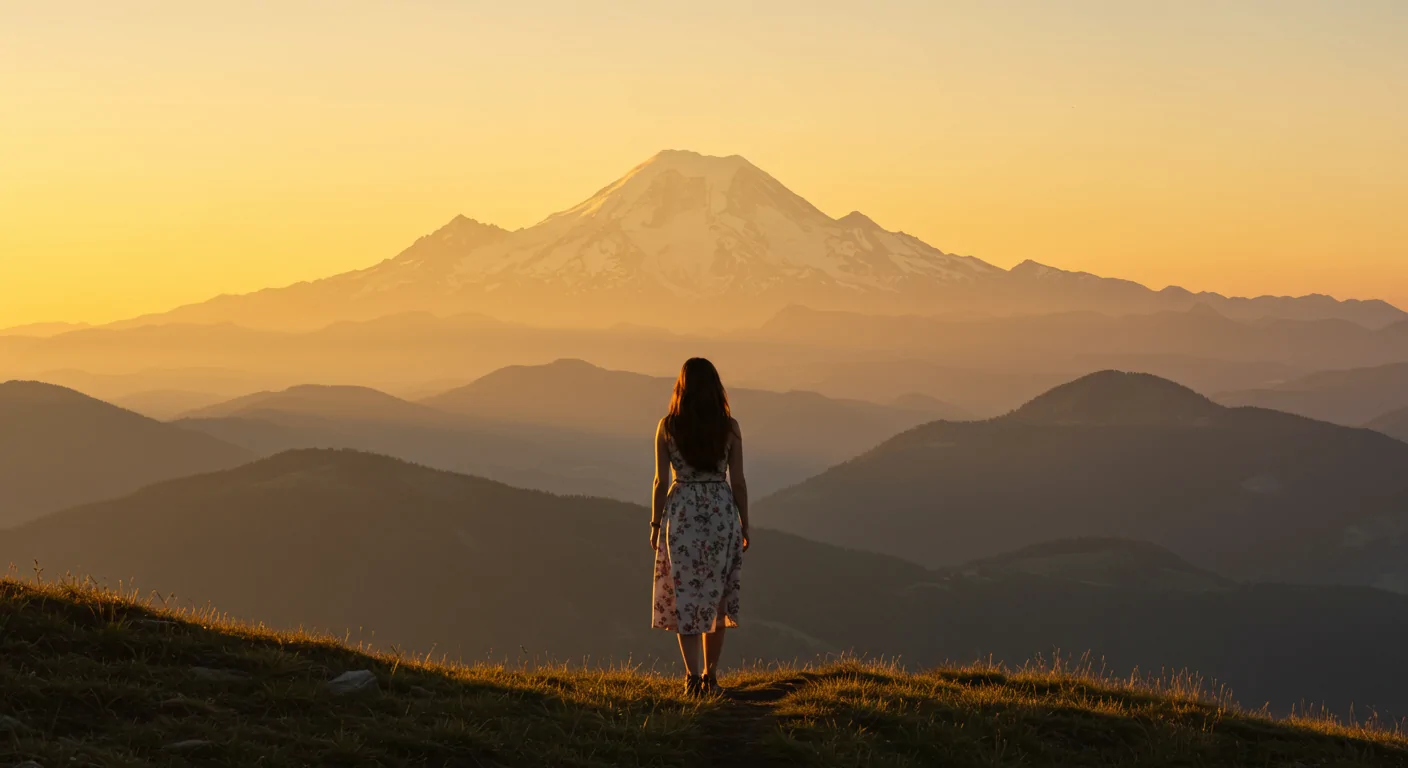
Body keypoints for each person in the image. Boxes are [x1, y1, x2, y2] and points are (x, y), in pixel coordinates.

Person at [650, 357, 749, 697]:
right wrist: (745, 523)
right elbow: (738, 481)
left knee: (686, 597)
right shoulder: (729, 427)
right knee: (717, 598)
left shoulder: (668, 426)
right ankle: (712, 675)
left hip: (682, 514)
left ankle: (692, 678)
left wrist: (654, 523)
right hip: (721, 513)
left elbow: (661, 481)